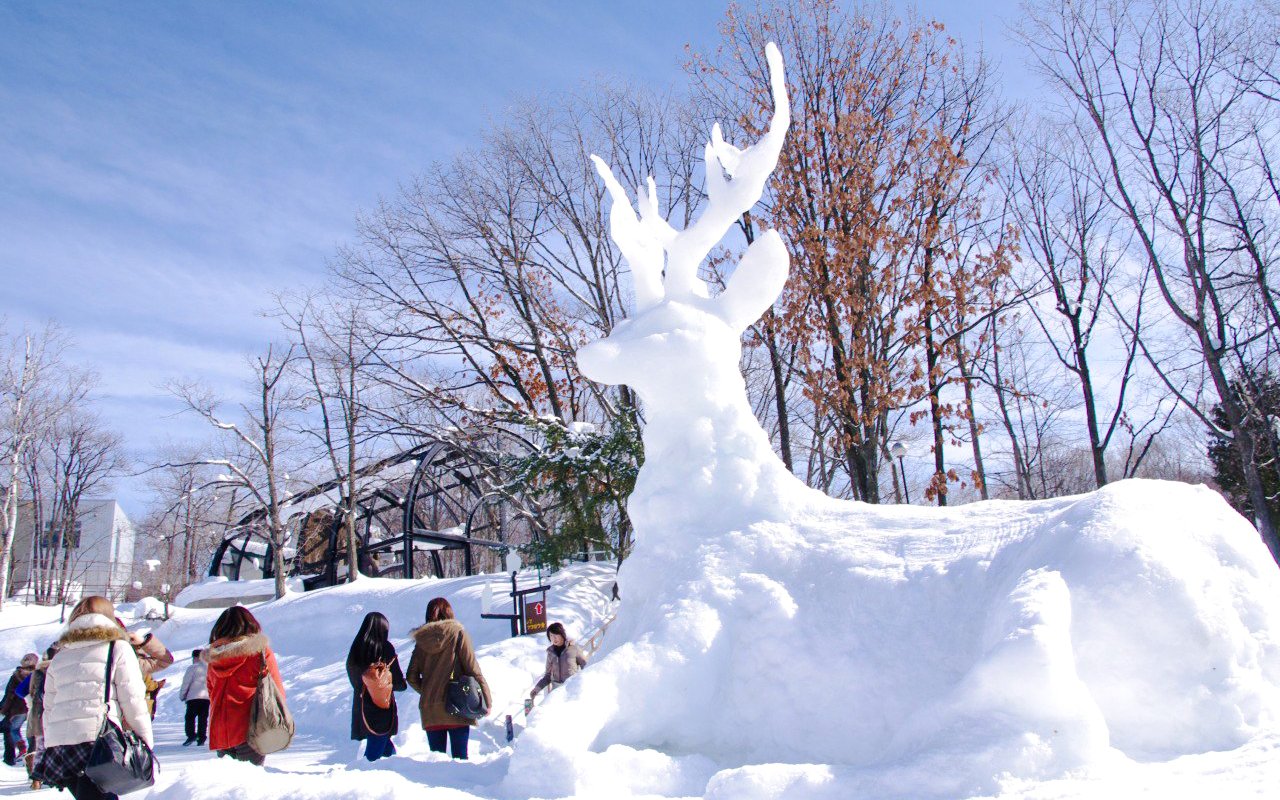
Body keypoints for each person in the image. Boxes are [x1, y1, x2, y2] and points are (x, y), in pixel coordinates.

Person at [40, 596, 153, 800]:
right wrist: (144, 740)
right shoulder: (117, 647)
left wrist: (50, 743)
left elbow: (48, 707)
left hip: (62, 746)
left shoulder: (60, 656)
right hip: (98, 739)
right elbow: (133, 699)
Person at [405, 597, 491, 760]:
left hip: (431, 710)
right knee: (460, 760)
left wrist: (429, 691)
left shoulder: (421, 640)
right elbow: (472, 668)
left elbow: (411, 676)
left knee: (437, 762)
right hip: (458, 706)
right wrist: (486, 699)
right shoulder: (458, 634)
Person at [204, 605, 284, 766]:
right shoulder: (259, 653)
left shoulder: (214, 658)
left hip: (220, 730)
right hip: (251, 727)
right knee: (249, 784)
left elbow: (211, 690)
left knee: (226, 784)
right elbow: (275, 690)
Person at [345, 612, 406, 762]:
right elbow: (398, 682)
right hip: (382, 707)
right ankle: (363, 775)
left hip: (361, 705)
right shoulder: (385, 648)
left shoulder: (356, 648)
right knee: (373, 754)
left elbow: (354, 679)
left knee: (385, 749)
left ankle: (394, 769)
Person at [19, 643, 60, 789]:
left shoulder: (36, 673)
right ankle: (54, 774)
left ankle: (35, 778)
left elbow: (20, 691)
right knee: (55, 744)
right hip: (56, 711)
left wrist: (30, 702)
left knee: (36, 745)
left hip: (37, 712)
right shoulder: (60, 670)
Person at [529, 622, 588, 703]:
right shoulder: (550, 653)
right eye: (551, 636)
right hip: (556, 691)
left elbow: (586, 667)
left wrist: (582, 684)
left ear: (562, 634)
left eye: (556, 635)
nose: (553, 638)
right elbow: (548, 676)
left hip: (571, 690)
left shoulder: (574, 649)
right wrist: (537, 689)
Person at [1, 653, 37, 766]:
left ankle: (22, 748)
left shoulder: (17, 675)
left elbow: (10, 695)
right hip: (29, 708)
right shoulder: (37, 674)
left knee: (13, 729)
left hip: (16, 709)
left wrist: (3, 710)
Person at [178, 649, 209, 747]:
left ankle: (191, 735)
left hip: (193, 698)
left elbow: (186, 683)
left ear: (195, 657)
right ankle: (201, 738)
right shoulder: (209, 668)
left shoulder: (192, 668)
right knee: (203, 718)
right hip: (206, 698)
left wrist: (182, 695)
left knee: (190, 717)